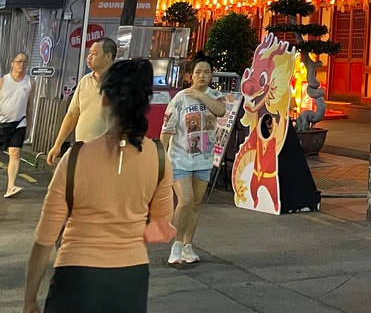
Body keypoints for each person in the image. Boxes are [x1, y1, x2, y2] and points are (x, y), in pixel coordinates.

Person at [23, 58, 174, 313]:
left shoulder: (75, 158)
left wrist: (29, 300)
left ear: (104, 99)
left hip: (77, 277)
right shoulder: (159, 157)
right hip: (131, 279)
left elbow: (45, 238)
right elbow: (162, 227)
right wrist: (128, 232)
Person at [160, 53, 227, 264]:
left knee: (196, 204)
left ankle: (188, 245)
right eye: (198, 72)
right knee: (186, 200)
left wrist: (200, 95)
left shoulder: (215, 96)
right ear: (190, 75)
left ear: (212, 75)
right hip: (179, 158)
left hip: (203, 159)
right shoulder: (180, 98)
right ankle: (176, 245)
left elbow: (220, 111)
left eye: (206, 72)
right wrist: (160, 157)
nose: (202, 76)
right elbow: (167, 130)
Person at [46, 38, 117, 165]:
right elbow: (72, 115)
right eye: (89, 53)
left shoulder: (120, 83)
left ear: (108, 56)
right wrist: (57, 145)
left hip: (108, 153)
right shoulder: (85, 81)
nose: (89, 57)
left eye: (95, 54)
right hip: (82, 149)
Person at [0, 51, 33, 197]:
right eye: (19, 61)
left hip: (19, 122)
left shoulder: (30, 82)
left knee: (15, 152)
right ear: (12, 64)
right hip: (2, 122)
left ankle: (11, 186)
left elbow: (30, 106)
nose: (22, 64)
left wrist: (29, 126)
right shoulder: (3, 81)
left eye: (25, 62)